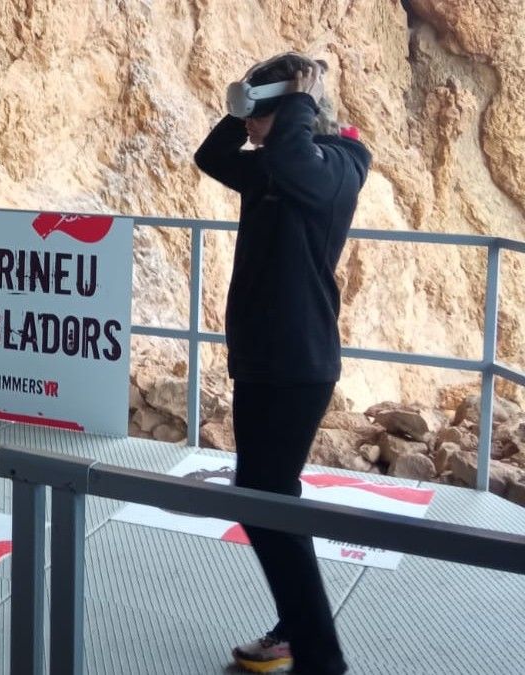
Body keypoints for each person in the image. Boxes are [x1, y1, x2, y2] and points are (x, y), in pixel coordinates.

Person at [194, 53, 371, 675]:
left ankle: (319, 655)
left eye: (260, 114)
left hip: (300, 362)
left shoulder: (341, 163)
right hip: (261, 357)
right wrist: (244, 107)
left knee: (267, 501)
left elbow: (305, 171)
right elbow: (211, 157)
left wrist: (295, 99)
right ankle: (300, 632)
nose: (252, 128)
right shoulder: (273, 165)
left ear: (299, 110)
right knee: (267, 499)